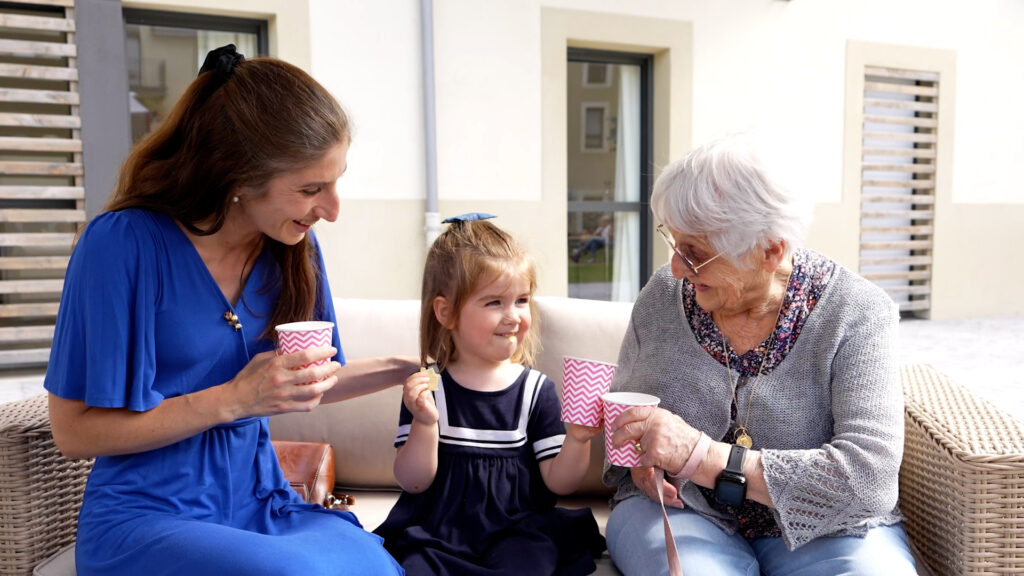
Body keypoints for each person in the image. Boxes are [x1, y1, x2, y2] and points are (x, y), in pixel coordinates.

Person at [44, 45, 410, 575]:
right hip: (149, 517)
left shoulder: (293, 249)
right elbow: (73, 432)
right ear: (237, 177)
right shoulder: (122, 245)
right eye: (311, 189)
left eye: (336, 181)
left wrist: (412, 367)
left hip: (263, 505)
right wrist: (233, 399)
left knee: (379, 567)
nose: (332, 210)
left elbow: (310, 382)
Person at [602, 135, 917, 575]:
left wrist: (703, 458)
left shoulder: (858, 313)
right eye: (673, 244)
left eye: (694, 253)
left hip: (828, 531)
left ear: (771, 250)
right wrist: (641, 463)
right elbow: (624, 421)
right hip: (682, 512)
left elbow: (869, 479)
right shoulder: (663, 296)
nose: (675, 269)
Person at [373, 214, 606, 575]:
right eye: (494, 302)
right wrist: (423, 422)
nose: (513, 316)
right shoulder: (428, 385)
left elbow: (559, 483)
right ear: (446, 313)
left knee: (530, 564)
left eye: (522, 300)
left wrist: (577, 440)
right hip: (439, 534)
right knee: (413, 568)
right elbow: (414, 481)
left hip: (517, 531)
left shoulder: (535, 389)